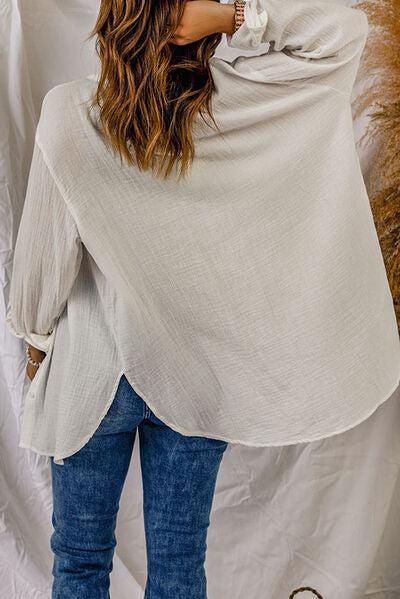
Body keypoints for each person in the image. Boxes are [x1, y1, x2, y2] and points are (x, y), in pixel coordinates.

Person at [5, 0, 400, 597]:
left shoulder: (70, 115)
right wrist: (232, 15)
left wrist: (36, 350)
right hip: (192, 374)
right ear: (188, 26)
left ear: (114, 25)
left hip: (88, 376)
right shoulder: (235, 110)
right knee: (179, 567)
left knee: (79, 562)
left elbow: (44, 265)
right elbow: (341, 33)